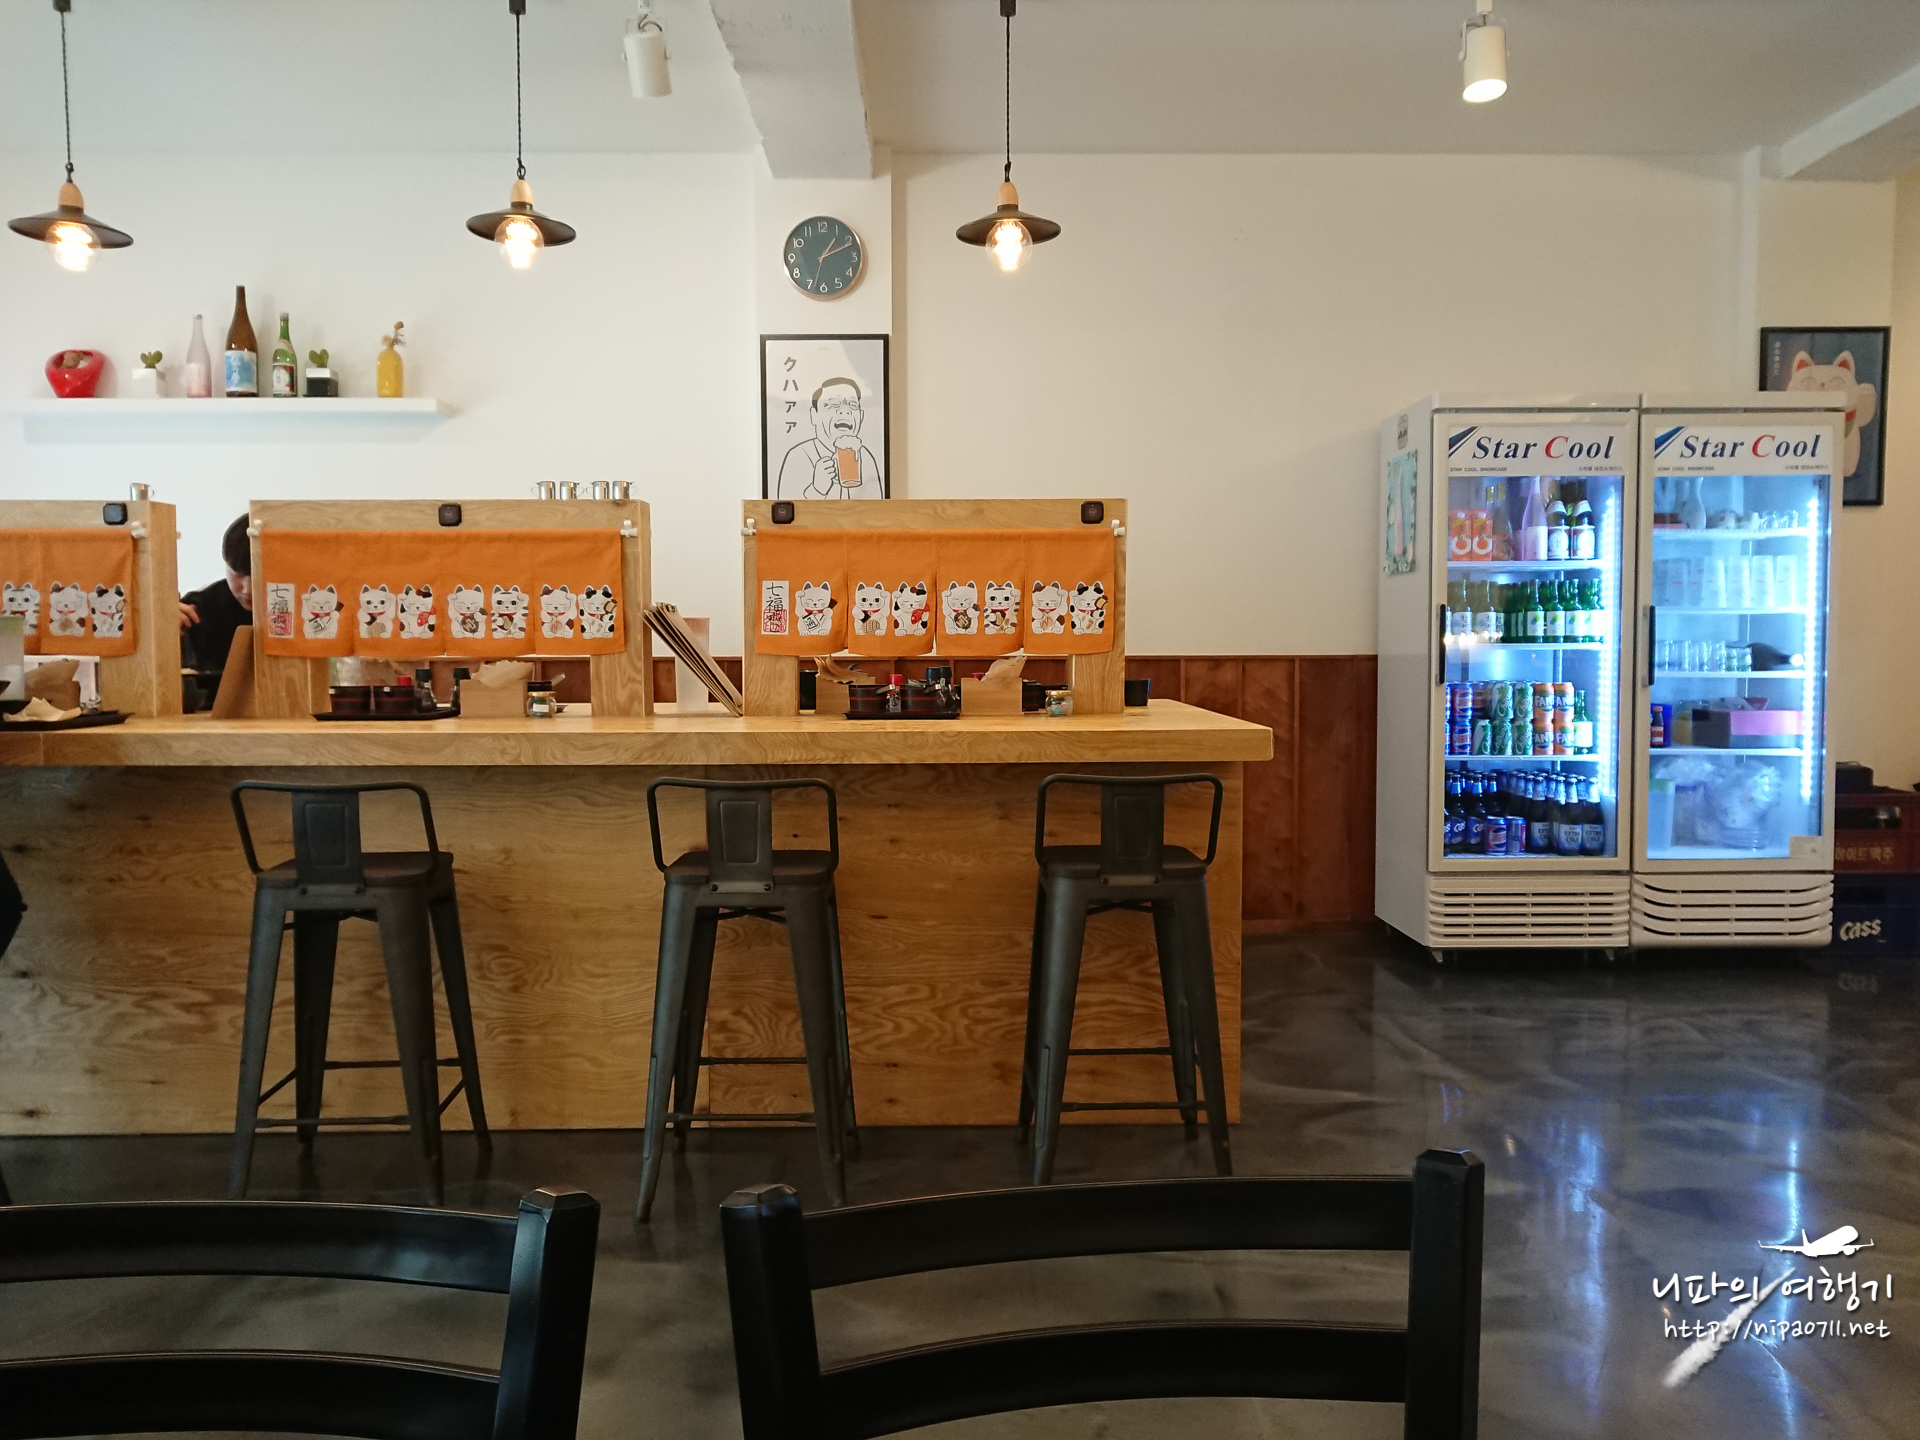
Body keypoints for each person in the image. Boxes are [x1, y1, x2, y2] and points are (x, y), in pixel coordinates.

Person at [775, 377, 884, 499]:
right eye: (834, 405)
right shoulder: (798, 456)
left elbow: (878, 508)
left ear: (861, 416)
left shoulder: (865, 457)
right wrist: (817, 489)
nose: (845, 411)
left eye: (853, 405)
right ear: (814, 415)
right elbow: (783, 508)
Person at [179, 515, 253, 678]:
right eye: (237, 573)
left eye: (257, 574)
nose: (247, 589)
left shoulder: (304, 609)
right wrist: (161, 630)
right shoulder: (197, 611)